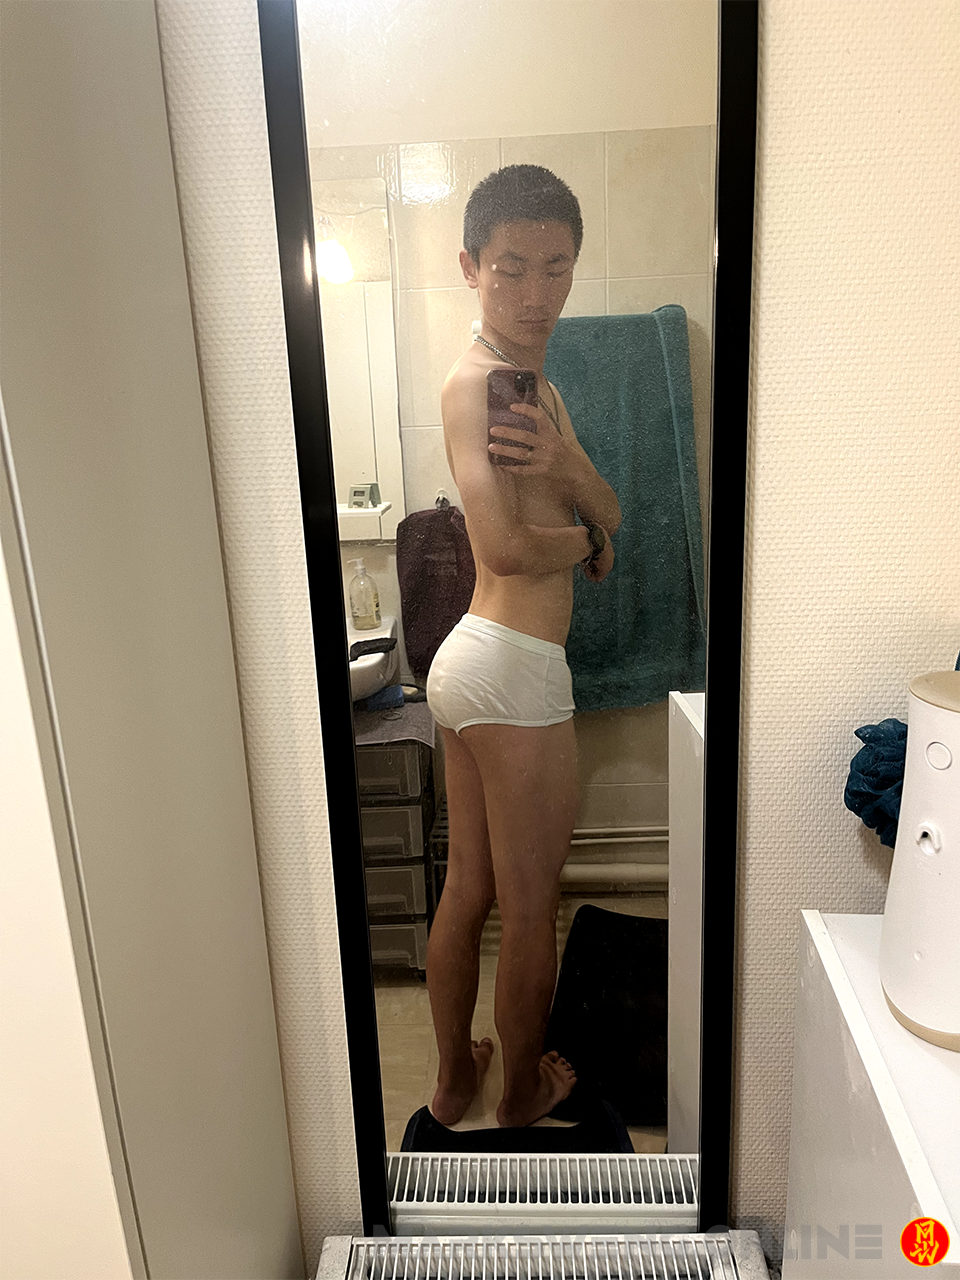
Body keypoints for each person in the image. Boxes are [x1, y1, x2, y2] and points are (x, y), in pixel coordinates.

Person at [424, 165, 622, 1128]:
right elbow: (505, 546)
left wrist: (570, 469)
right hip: (514, 670)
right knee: (531, 907)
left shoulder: (538, 392)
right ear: (471, 267)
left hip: (474, 666)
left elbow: (609, 505)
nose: (535, 293)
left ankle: (453, 1079)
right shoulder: (475, 387)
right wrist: (587, 542)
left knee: (469, 887)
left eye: (556, 267)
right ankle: (516, 1098)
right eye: (510, 268)